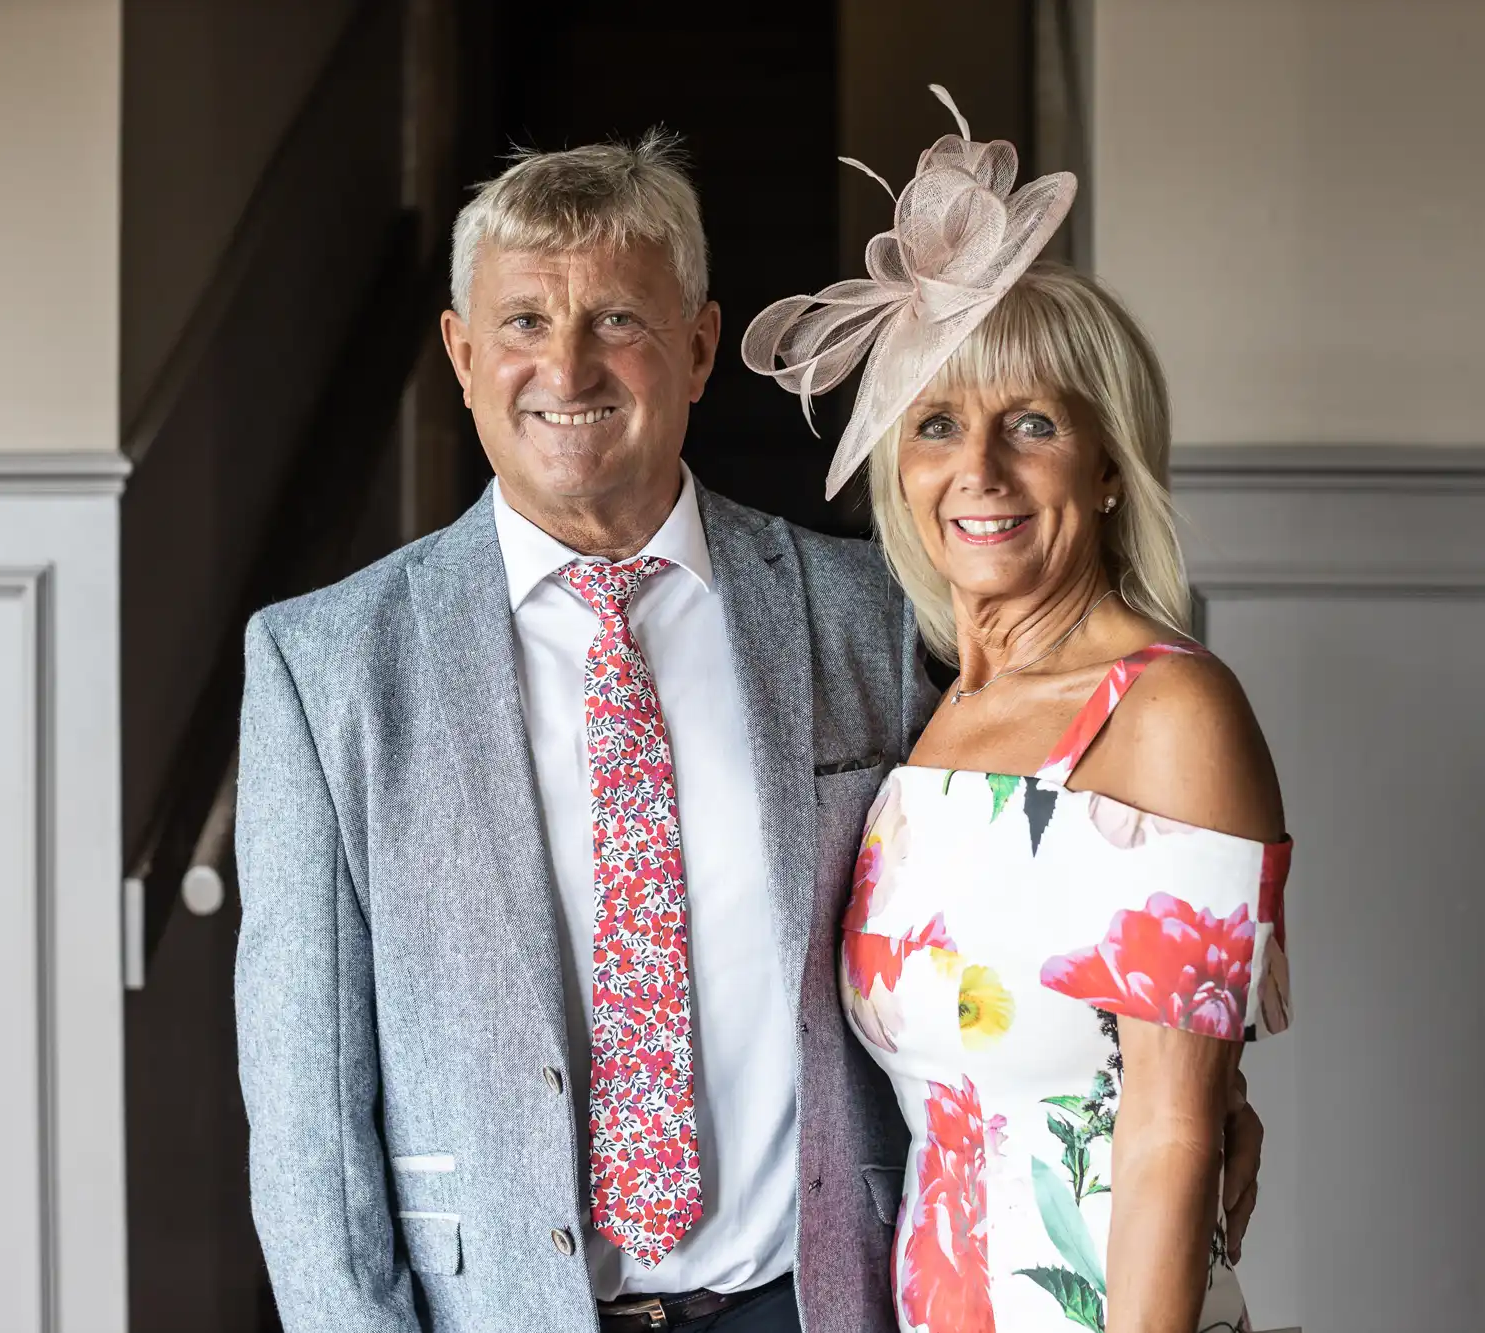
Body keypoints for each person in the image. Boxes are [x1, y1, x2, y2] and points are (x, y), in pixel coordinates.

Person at [234, 128, 1265, 1333]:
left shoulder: (873, 613)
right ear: (461, 355)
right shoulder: (326, 666)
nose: (565, 365)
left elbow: (1050, 865)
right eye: (520, 322)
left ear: (701, 346)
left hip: (826, 1301)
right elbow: (306, 1119)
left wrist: (1188, 1074)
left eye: (617, 317)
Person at [743, 89, 1292, 1333]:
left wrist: (1216, 1103)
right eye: (936, 424)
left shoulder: (1169, 712)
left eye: (1030, 424)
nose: (976, 470)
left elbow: (1163, 1135)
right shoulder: (934, 712)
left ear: (1105, 466)